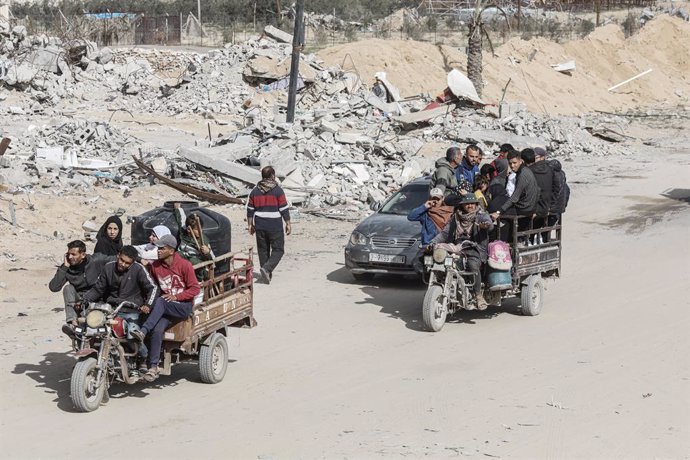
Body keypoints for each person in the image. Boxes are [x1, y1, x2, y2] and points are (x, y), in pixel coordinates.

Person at [131, 235, 200, 382]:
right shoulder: (155, 267)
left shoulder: (185, 265)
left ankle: (143, 332)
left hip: (183, 306)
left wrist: (177, 297)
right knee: (157, 330)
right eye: (158, 248)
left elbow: (195, 289)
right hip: (165, 308)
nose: (158, 250)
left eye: (162, 248)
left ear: (171, 250)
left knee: (161, 302)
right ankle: (153, 367)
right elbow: (153, 287)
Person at [82, 245, 159, 372]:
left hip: (131, 309)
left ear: (133, 262)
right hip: (112, 309)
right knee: (92, 329)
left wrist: (147, 305)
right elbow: (98, 288)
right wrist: (85, 299)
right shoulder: (108, 267)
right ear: (118, 256)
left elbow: (153, 288)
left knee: (132, 334)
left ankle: (143, 357)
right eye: (121, 260)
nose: (122, 264)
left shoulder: (138, 269)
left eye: (127, 263)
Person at [429, 194, 494, 309]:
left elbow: (489, 225)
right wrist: (433, 242)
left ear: (476, 204)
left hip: (475, 248)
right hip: (456, 246)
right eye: (467, 204)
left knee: (473, 265)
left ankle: (478, 295)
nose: (470, 206)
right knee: (437, 258)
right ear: (462, 205)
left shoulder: (481, 215)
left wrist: (486, 226)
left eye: (472, 203)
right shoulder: (456, 217)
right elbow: (445, 233)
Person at [49, 240, 113, 337]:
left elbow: (117, 258)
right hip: (79, 300)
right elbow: (54, 287)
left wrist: (140, 259)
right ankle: (72, 323)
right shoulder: (67, 268)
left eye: (74, 254)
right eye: (68, 254)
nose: (70, 257)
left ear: (83, 255)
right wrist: (65, 267)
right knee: (68, 288)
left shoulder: (96, 260)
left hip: (97, 298)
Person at [246, 166, 292, 284]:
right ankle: (267, 269)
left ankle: (266, 275)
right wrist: (288, 223)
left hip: (260, 225)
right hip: (274, 225)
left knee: (263, 250)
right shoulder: (278, 190)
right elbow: (284, 208)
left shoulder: (255, 191)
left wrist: (250, 225)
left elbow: (250, 209)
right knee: (278, 250)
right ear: (272, 176)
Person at [490, 150, 540, 242]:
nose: (512, 166)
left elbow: (514, 197)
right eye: (510, 163)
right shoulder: (526, 170)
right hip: (529, 206)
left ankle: (504, 242)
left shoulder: (523, 175)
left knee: (499, 214)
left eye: (515, 163)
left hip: (524, 208)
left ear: (520, 161)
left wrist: (498, 212)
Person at [174, 204, 214, 281]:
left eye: (201, 228)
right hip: (185, 258)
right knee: (177, 255)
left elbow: (212, 260)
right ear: (189, 229)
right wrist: (178, 209)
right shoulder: (184, 233)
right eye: (197, 229)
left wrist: (207, 252)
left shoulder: (203, 241)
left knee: (194, 263)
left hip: (197, 265)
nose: (200, 231)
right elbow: (181, 219)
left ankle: (198, 283)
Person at [522, 148, 553, 238]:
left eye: (536, 157)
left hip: (535, 208)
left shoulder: (529, 171)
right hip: (546, 207)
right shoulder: (550, 169)